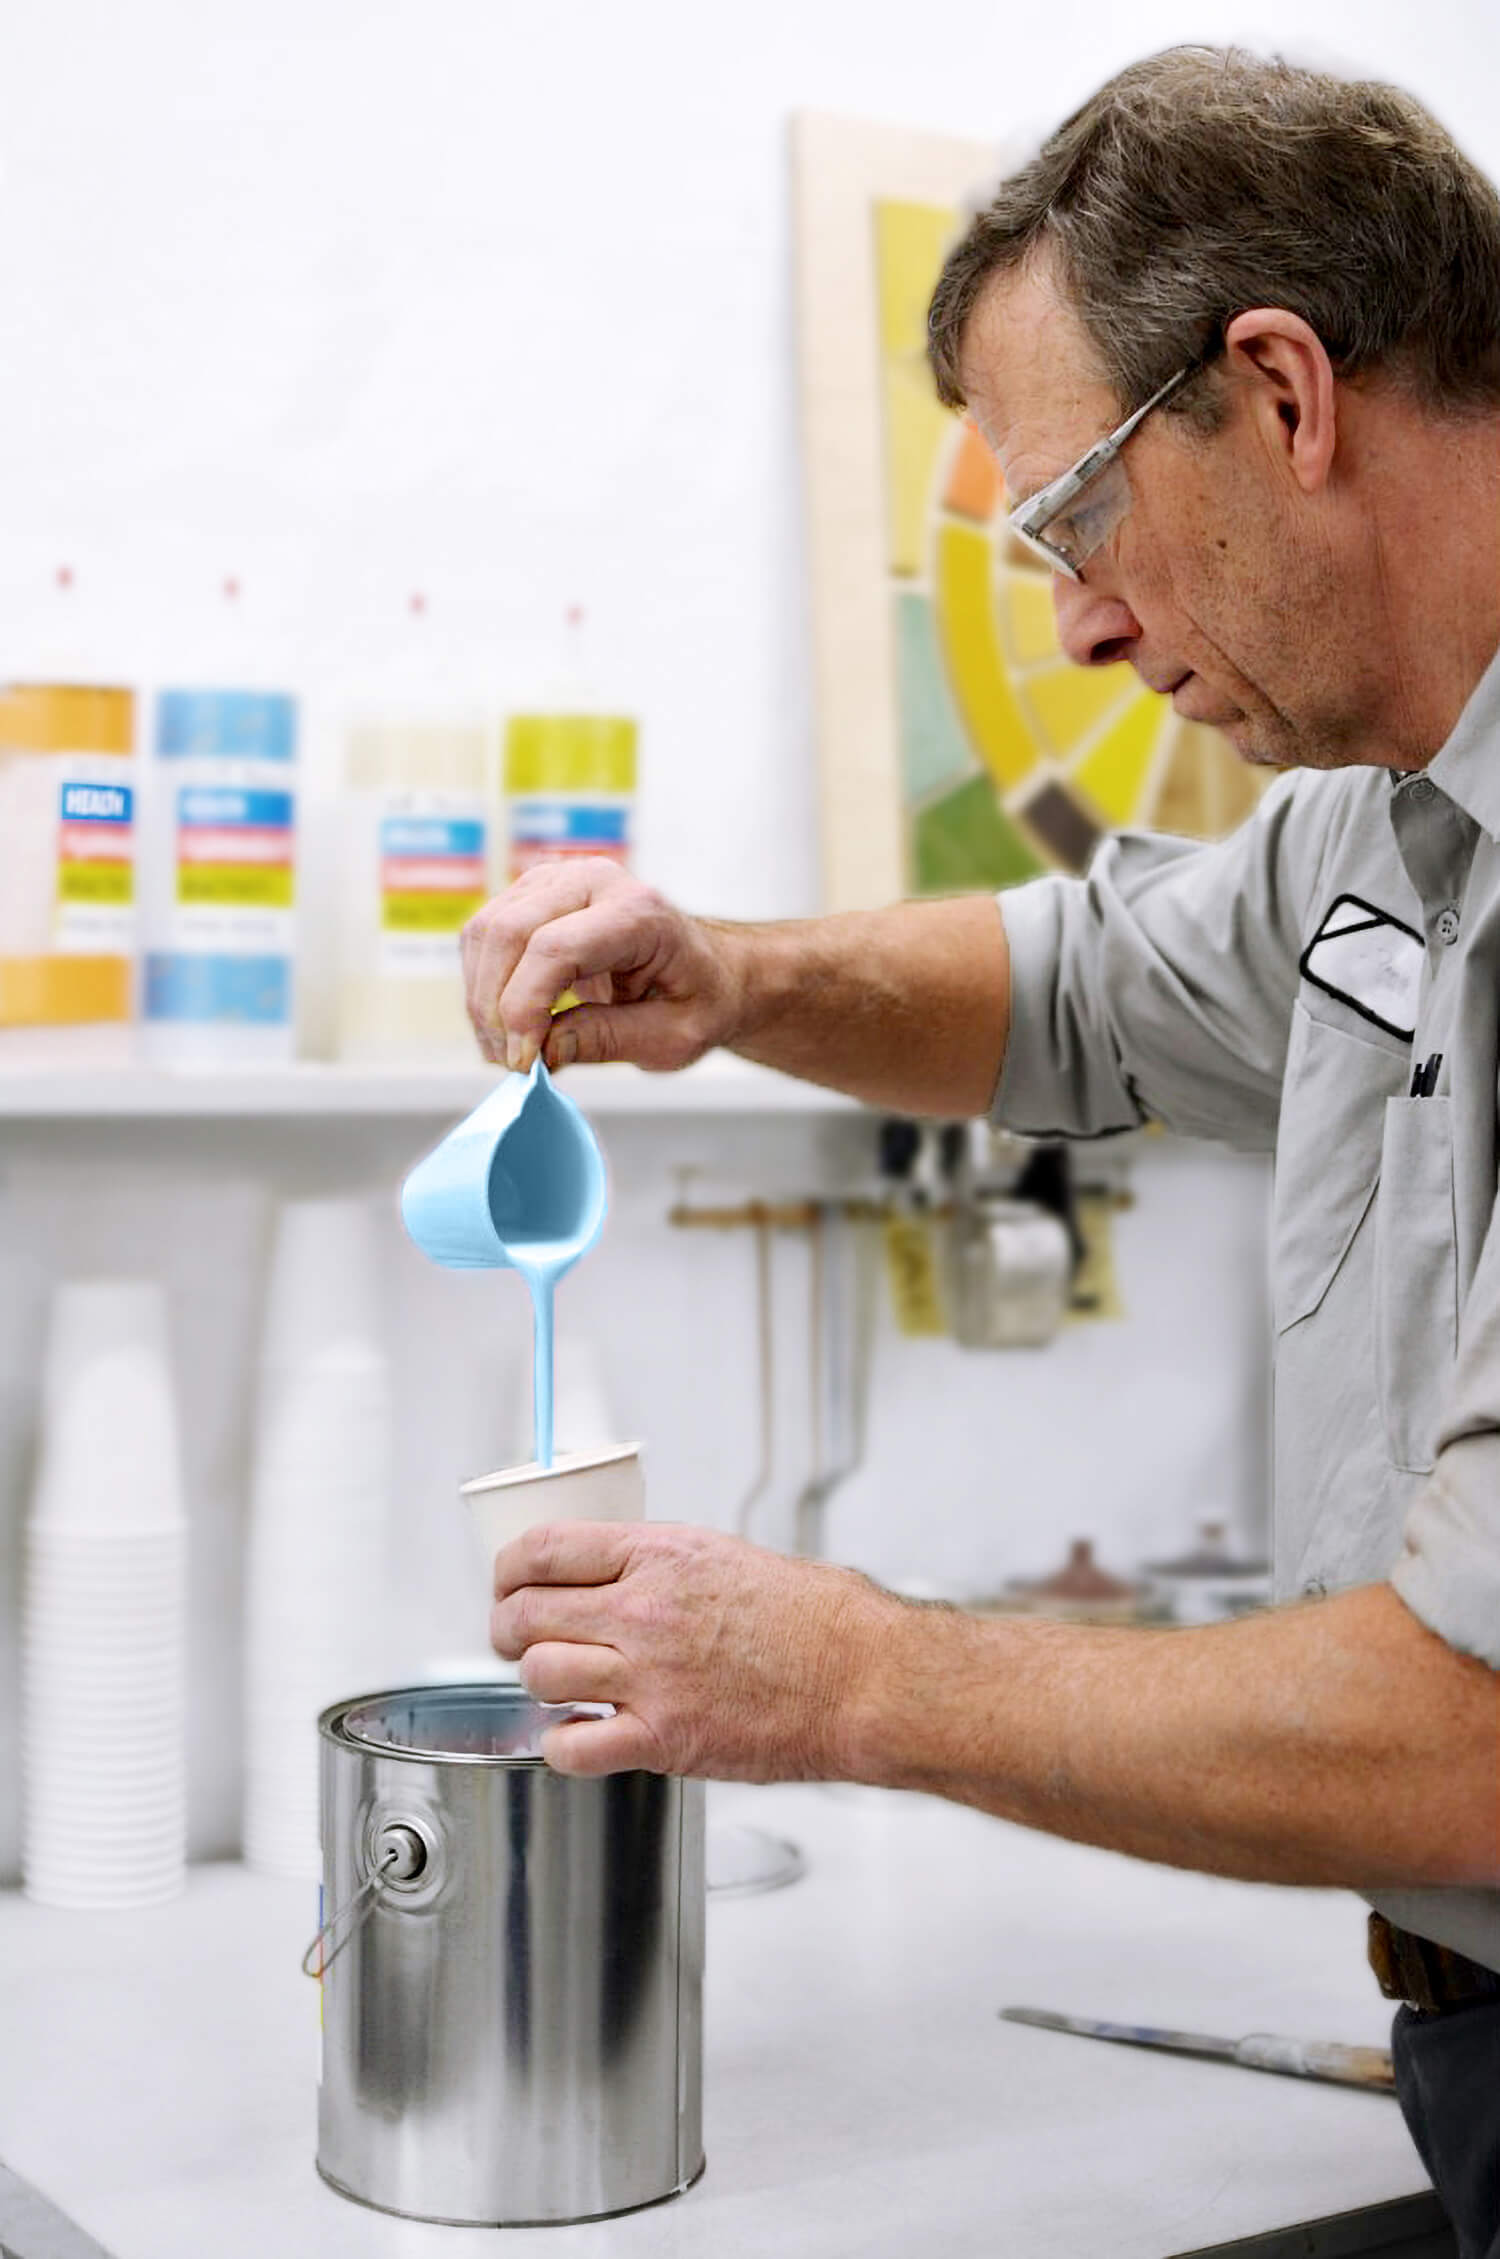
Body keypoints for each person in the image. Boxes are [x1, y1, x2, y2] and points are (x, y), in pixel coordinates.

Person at [463, 48, 1500, 2252]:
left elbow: (1483, 1730)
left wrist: (843, 1676)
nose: (1078, 627)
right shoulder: (1383, 830)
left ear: (1285, 394)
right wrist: (727, 972)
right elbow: (1079, 984)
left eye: (1076, 516)